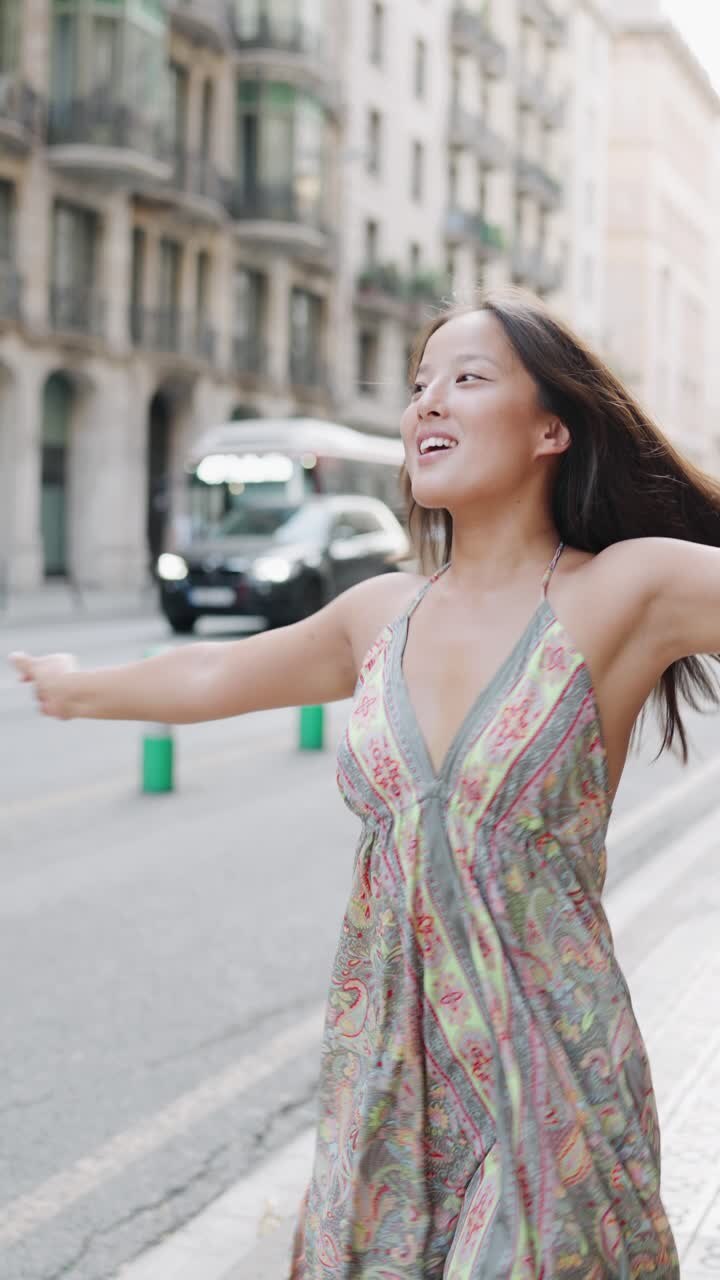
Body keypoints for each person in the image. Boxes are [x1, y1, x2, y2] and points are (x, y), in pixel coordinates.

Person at [11, 288, 720, 1278]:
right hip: (387, 1085)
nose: (427, 402)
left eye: (467, 379)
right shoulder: (379, 613)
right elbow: (219, 668)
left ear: (553, 424)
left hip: (548, 1079)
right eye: (419, 384)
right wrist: (80, 689)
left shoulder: (624, 589)